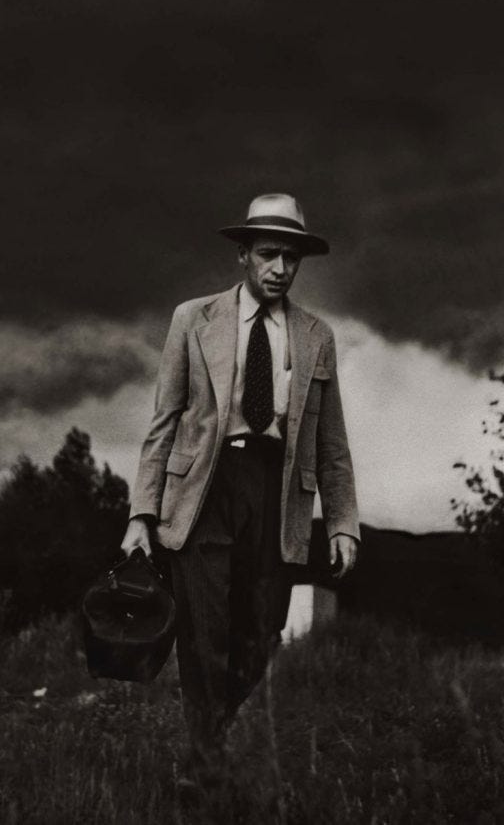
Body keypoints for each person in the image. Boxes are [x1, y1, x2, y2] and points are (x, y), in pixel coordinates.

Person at [120, 192, 360, 783]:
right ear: (244, 255)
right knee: (203, 635)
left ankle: (211, 734)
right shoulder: (191, 319)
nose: (280, 269)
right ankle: (201, 769)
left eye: (292, 259)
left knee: (261, 634)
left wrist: (344, 521)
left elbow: (331, 441)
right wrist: (140, 515)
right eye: (269, 255)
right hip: (204, 488)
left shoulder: (316, 336)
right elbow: (164, 421)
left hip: (278, 492)